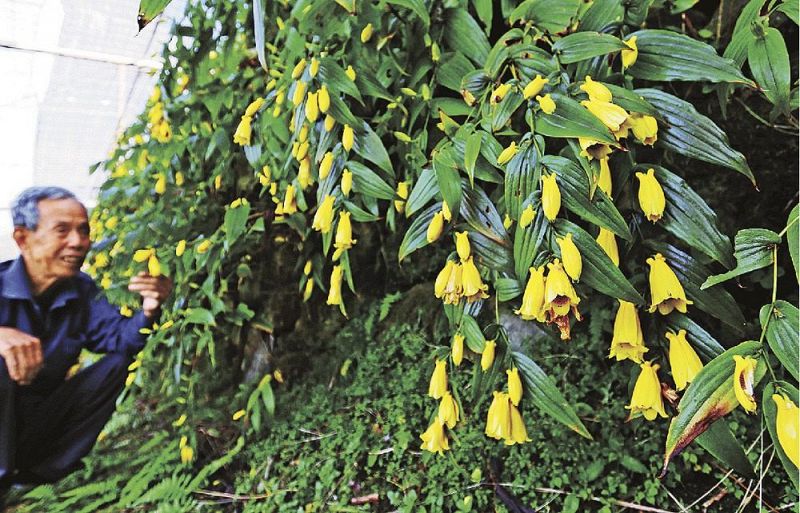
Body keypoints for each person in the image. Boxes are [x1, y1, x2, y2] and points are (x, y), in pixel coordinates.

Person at [0, 187, 172, 503]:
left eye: (83, 230)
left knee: (117, 363)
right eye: (62, 230)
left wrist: (150, 308)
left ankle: (37, 481)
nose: (79, 242)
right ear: (23, 239)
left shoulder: (81, 291)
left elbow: (121, 339)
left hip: (36, 425)